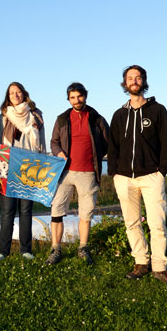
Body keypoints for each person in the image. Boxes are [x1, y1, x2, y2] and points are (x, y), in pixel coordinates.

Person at [107, 65, 167, 289]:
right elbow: (113, 146)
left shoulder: (158, 110)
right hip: (124, 178)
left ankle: (159, 267)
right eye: (130, 78)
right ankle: (140, 263)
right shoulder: (119, 115)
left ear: (144, 81)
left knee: (157, 224)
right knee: (132, 223)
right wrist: (114, 172)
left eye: (138, 78)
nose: (134, 81)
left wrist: (162, 170)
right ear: (125, 83)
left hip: (151, 176)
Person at [46, 82, 109, 265]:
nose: (76, 100)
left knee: (85, 213)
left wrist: (96, 156)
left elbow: (107, 143)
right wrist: (58, 152)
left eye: (79, 96)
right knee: (56, 211)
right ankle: (56, 249)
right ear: (68, 99)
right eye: (72, 97)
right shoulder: (62, 119)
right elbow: (54, 141)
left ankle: (83, 247)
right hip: (64, 173)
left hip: (88, 172)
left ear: (85, 96)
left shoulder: (97, 119)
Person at [0, 82, 46, 261]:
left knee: (26, 211)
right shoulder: (4, 116)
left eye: (18, 92)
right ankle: (3, 251)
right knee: (7, 211)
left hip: (30, 168)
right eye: (11, 93)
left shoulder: (36, 115)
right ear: (8, 97)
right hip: (8, 168)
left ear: (24, 94)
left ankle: (26, 250)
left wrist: (42, 164)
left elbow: (42, 143)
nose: (15, 95)